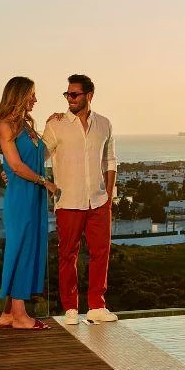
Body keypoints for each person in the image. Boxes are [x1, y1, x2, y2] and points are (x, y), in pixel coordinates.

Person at [44, 74, 119, 325]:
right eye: (67, 94)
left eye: (74, 94)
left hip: (98, 201)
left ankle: (97, 305)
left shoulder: (105, 124)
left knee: (101, 253)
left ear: (89, 96)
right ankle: (71, 309)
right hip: (68, 200)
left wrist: (108, 194)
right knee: (68, 255)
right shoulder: (56, 125)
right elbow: (39, 155)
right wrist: (12, 169)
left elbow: (110, 160)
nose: (69, 99)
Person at [0, 76, 60, 330]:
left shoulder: (27, 126)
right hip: (22, 196)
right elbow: (17, 166)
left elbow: (41, 155)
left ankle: (9, 313)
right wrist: (46, 182)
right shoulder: (5, 125)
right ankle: (20, 315)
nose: (35, 99)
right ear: (18, 95)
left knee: (29, 248)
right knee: (20, 249)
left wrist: (53, 126)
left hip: (32, 195)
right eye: (31, 95)